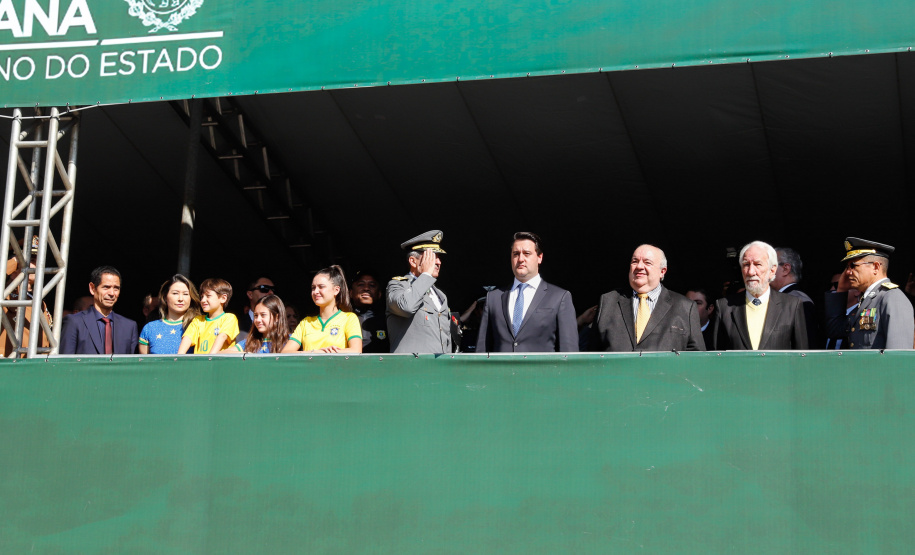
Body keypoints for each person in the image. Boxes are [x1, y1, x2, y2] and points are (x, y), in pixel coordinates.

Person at [589, 244, 704, 351]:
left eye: (647, 262)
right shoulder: (609, 301)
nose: (639, 266)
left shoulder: (685, 307)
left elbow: (697, 358)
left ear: (662, 271)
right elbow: (593, 353)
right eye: (635, 261)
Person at [476, 232, 578, 352]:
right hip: (502, 370)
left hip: (542, 370)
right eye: (516, 254)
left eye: (527, 253)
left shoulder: (559, 297)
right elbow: (482, 350)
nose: (520, 259)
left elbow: (569, 352)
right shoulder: (493, 298)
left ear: (539, 257)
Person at [713, 241, 808, 350]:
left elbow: (801, 356)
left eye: (758, 264)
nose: (751, 272)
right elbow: (716, 356)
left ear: (772, 270)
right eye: (746, 264)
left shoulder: (792, 306)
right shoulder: (724, 307)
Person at [824, 237, 914, 349]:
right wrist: (841, 290)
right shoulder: (867, 300)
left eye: (853, 266)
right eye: (847, 267)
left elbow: (898, 355)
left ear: (876, 267)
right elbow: (834, 331)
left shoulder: (892, 298)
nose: (848, 272)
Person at [386, 230, 452, 354]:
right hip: (412, 368)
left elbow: (445, 336)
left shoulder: (440, 295)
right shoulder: (397, 285)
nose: (438, 262)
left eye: (438, 258)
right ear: (413, 261)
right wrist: (426, 275)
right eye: (432, 257)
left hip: (439, 368)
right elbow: (406, 308)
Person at [283, 266, 363, 353]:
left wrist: (325, 354)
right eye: (313, 288)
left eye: (321, 287)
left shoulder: (349, 318)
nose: (316, 291)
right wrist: (314, 352)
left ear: (336, 290)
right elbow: (285, 353)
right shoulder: (305, 323)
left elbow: (356, 351)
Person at [60, 266, 138, 354]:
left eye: (116, 288)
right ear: (92, 288)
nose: (112, 293)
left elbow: (132, 365)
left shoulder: (129, 326)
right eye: (106, 287)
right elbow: (65, 362)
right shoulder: (75, 322)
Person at [138, 275, 201, 354]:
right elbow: (145, 364)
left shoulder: (199, 325)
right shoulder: (150, 328)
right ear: (165, 297)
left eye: (185, 294)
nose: (180, 299)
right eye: (175, 293)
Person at [772, 247, 819, 347]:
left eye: (771, 266)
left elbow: (806, 346)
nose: (765, 271)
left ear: (785, 269)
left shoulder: (800, 301)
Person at [178, 278, 239, 354]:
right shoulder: (198, 320)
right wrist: (179, 357)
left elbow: (222, 336)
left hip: (219, 364)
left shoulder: (229, 318)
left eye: (208, 296)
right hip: (200, 364)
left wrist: (210, 358)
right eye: (202, 296)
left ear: (223, 298)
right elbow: (188, 338)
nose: (203, 300)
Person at [350, 270, 389, 353]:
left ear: (379, 294)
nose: (366, 288)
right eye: (361, 284)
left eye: (372, 285)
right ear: (351, 293)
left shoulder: (388, 320)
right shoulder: (342, 319)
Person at [824, 271, 860, 349]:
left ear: (857, 291)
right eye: (831, 285)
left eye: (838, 285)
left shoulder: (860, 315)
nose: (832, 289)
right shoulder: (829, 316)